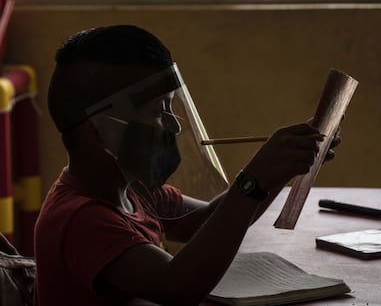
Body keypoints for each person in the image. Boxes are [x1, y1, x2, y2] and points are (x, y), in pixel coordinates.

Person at [34, 24, 340, 306]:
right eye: (157, 110)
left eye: (170, 105)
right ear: (99, 131)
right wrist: (255, 180)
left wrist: (281, 167)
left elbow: (205, 220)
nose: (174, 126)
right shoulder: (80, 219)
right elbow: (175, 286)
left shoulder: (136, 190)